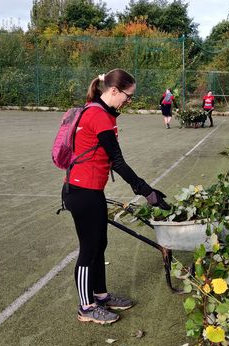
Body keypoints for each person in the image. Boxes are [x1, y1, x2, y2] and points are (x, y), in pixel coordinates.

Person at [62, 68, 170, 325]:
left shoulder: (104, 114)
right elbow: (118, 162)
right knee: (89, 250)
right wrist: (147, 191)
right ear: (113, 90)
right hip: (81, 192)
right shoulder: (98, 116)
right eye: (128, 96)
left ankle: (100, 296)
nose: (128, 101)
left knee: (99, 245)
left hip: (92, 190)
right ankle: (86, 307)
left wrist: (146, 190)